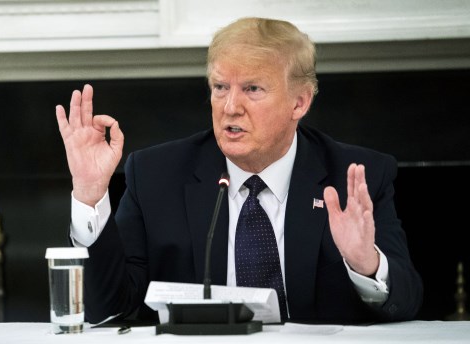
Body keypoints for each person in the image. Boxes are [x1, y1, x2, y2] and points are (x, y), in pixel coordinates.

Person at [56, 17, 423, 325]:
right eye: (220, 87)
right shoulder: (156, 175)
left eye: (252, 88)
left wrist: (366, 264)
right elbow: (111, 307)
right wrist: (89, 194)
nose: (230, 107)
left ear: (299, 102)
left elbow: (408, 303)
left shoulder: (356, 176)